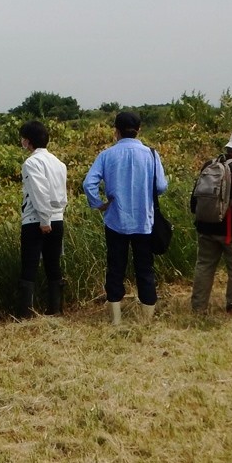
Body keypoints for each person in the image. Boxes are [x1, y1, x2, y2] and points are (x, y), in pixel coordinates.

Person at [82, 111, 168, 324]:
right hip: (144, 222)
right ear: (139, 130)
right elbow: (161, 186)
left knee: (115, 270)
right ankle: (146, 320)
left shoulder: (106, 155)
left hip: (115, 220)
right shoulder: (151, 154)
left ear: (116, 131)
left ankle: (116, 320)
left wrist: (99, 204)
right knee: (145, 270)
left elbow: (88, 183)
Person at [190, 131, 232, 314]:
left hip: (205, 227)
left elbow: (193, 202)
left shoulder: (209, 165)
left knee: (204, 265)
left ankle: (198, 307)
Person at [17, 120, 68, 318]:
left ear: (28, 141)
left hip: (36, 219)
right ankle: (56, 310)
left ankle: (26, 314)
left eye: (23, 138)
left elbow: (39, 191)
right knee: (53, 263)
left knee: (29, 265)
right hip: (58, 217)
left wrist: (44, 220)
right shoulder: (58, 162)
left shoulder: (31, 163)